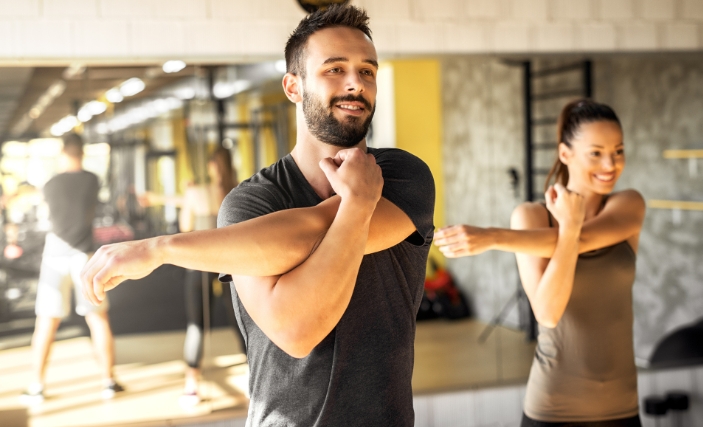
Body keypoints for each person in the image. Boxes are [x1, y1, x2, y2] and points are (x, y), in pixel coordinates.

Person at [80, 5, 434, 426]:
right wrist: (358, 205)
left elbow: (307, 231)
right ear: (293, 87)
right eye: (335, 69)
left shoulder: (400, 176)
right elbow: (296, 331)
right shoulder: (250, 204)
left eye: (368, 71)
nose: (356, 83)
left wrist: (162, 248)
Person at [434, 99, 646, 427]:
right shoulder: (532, 216)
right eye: (596, 152)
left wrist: (492, 237)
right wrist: (569, 228)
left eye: (618, 151)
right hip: (553, 410)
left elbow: (585, 240)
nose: (611, 163)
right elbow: (547, 312)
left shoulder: (628, 205)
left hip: (623, 409)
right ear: (565, 154)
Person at [21, 134, 123, 403]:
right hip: (83, 256)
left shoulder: (51, 183)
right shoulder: (92, 180)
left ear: (63, 153)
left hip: (54, 255)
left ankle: (37, 386)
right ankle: (108, 382)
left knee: (46, 322)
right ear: (82, 153)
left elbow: (49, 208)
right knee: (98, 318)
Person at [140, 146, 244, 405]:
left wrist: (187, 197)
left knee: (196, 324)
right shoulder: (240, 190)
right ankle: (257, 377)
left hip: (201, 262)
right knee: (241, 322)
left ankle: (192, 385)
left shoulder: (198, 192)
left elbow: (186, 226)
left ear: (211, 166)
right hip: (233, 262)